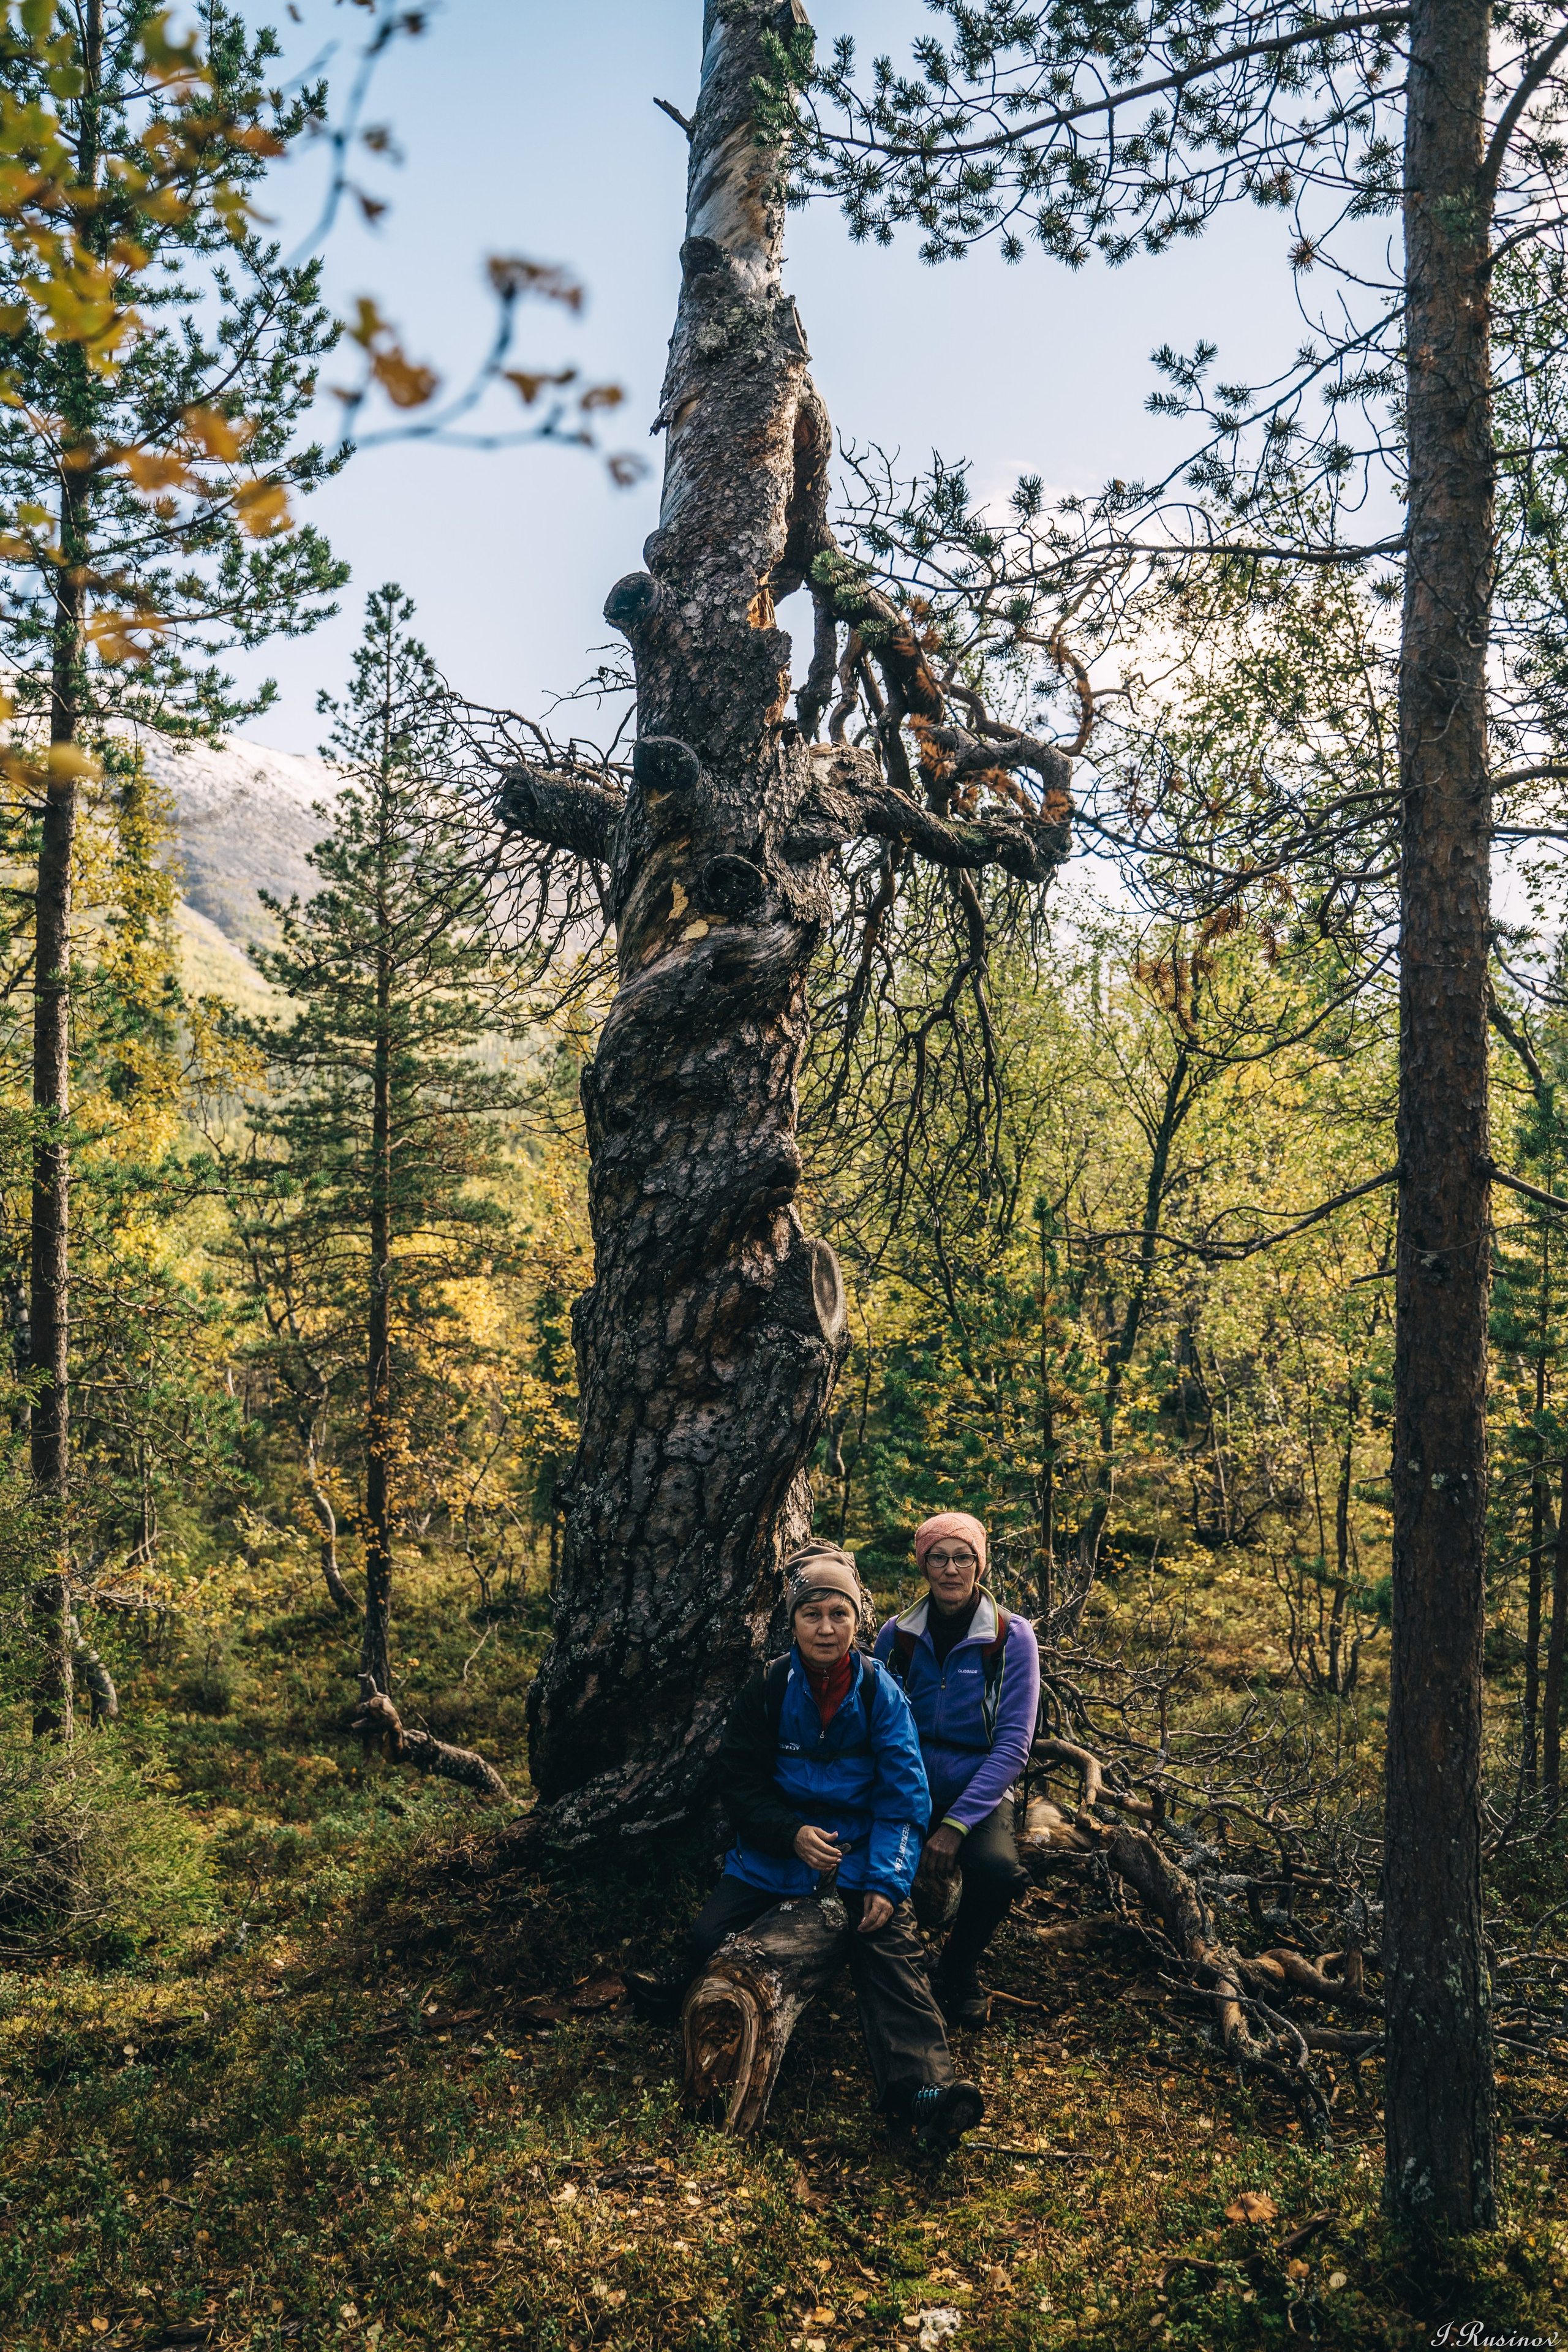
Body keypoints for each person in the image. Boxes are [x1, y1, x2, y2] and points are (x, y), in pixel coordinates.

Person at [627, 1541, 985, 2147]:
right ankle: (690, 2032)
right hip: (770, 1861)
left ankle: (922, 2095)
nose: (826, 1628)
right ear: (791, 1622)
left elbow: (904, 1800)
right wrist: (789, 1833)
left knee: (890, 1951)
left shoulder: (879, 1693)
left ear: (856, 1620)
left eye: (838, 1614)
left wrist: (885, 1882)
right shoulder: (767, 1689)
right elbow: (740, 1787)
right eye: (811, 1615)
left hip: (860, 1861)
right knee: (705, 1939)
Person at [875, 1511, 1040, 2028]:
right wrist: (907, 1802)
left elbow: (1014, 1745)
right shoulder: (896, 1636)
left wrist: (954, 1826)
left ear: (980, 1564)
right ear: (924, 1565)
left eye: (963, 1557)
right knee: (868, 1863)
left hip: (981, 1785)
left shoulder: (1012, 1638)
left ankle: (958, 1972)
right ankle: (891, 1968)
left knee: (997, 1872)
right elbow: (876, 1728)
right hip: (907, 1781)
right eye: (938, 1557)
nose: (951, 1569)